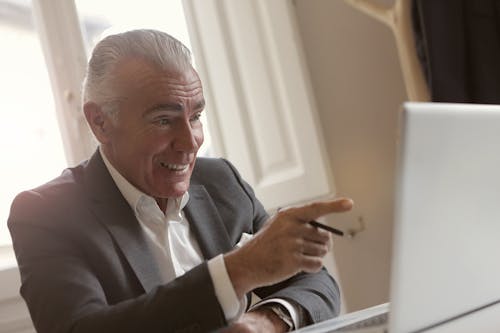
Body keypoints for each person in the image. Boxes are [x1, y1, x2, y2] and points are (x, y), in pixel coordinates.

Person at [8, 29, 353, 333]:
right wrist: (236, 271)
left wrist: (267, 320)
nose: (190, 142)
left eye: (196, 116)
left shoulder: (222, 181)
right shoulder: (45, 214)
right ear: (100, 122)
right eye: (163, 120)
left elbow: (315, 281)